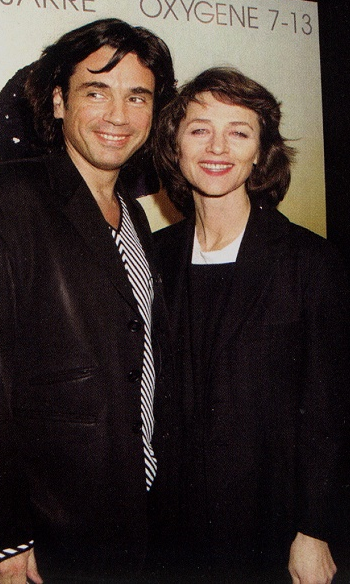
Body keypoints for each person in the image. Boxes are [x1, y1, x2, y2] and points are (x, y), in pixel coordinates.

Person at [0, 18, 176, 583]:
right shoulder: (0, 199)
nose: (118, 115)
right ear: (59, 101)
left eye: (137, 96)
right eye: (96, 91)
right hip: (45, 529)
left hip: (130, 508)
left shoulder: (134, 215)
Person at [153, 67, 350, 583]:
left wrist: (315, 530)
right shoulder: (152, 257)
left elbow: (329, 411)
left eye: (239, 132)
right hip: (169, 530)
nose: (217, 147)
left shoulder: (310, 261)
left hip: (270, 527)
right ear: (175, 144)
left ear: (261, 152)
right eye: (199, 129)